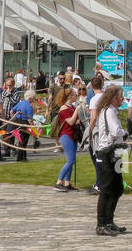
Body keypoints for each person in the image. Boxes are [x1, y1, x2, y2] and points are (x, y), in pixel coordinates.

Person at [90, 85, 127, 236]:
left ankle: (110, 221)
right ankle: (101, 224)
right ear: (113, 98)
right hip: (107, 154)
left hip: (117, 152)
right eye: (120, 96)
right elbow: (115, 131)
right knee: (106, 189)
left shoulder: (113, 111)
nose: (122, 99)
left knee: (118, 188)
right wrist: (126, 131)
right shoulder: (109, 111)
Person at [53, 91, 83, 191]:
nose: (77, 96)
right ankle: (58, 182)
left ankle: (67, 183)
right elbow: (70, 122)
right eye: (75, 95)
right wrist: (77, 111)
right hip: (66, 135)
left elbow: (75, 121)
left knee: (72, 160)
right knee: (70, 160)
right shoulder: (64, 108)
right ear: (70, 96)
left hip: (73, 135)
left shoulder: (72, 107)